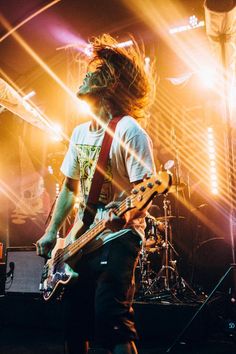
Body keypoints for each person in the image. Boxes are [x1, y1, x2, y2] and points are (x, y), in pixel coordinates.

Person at [36, 33, 156, 354]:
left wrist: (124, 213)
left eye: (95, 71)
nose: (86, 74)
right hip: (80, 240)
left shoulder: (129, 131)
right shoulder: (78, 133)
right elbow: (69, 188)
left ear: (110, 84)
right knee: (75, 325)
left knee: (112, 321)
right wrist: (51, 233)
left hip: (118, 237)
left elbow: (144, 192)